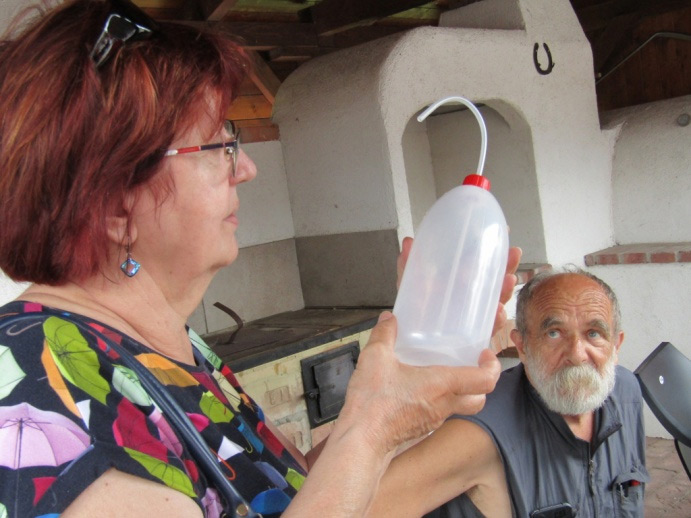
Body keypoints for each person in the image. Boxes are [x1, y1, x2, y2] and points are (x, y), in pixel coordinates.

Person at [0, 1, 521, 517]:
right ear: (115, 204)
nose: (246, 168)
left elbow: (292, 492)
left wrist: (410, 373)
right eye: (216, 146)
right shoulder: (37, 393)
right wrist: (374, 430)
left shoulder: (172, 349)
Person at [368, 267, 649, 517]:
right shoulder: (480, 431)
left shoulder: (626, 393)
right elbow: (363, 508)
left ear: (616, 346)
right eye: (554, 333)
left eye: (594, 333)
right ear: (522, 345)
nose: (577, 354)